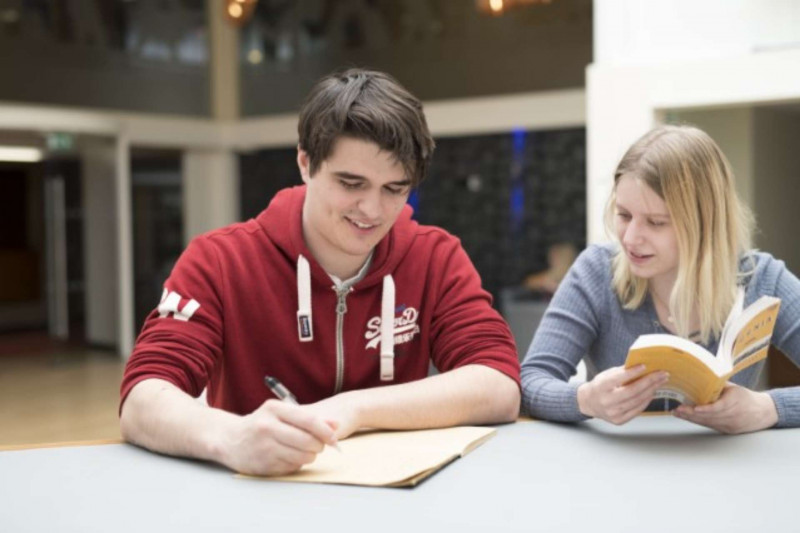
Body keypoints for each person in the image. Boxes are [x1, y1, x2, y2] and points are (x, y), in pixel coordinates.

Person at [119, 68, 521, 476]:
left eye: (394, 189)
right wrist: (232, 437)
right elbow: (143, 398)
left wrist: (353, 409)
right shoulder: (220, 260)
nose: (373, 210)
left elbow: (498, 382)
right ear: (305, 163)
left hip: (395, 494)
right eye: (351, 184)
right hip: (259, 492)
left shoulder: (434, 256)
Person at [521, 124, 800, 434]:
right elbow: (531, 382)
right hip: (618, 471)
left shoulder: (762, 279)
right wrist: (586, 399)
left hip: (724, 471)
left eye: (656, 223)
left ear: (704, 225)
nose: (631, 238)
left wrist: (770, 408)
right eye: (624, 215)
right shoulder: (596, 272)